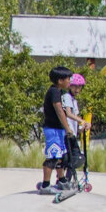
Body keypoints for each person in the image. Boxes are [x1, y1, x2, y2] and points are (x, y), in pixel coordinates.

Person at [37, 65, 77, 193]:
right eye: (68, 79)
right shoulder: (54, 91)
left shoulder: (59, 92)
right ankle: (45, 185)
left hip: (58, 129)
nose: (70, 82)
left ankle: (62, 180)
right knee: (53, 156)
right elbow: (59, 110)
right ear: (60, 80)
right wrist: (68, 128)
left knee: (61, 156)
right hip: (53, 129)